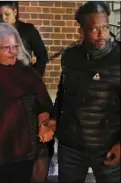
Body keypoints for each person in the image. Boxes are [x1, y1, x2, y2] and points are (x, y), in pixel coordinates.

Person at [0, 23, 54, 182]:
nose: (13, 52)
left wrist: (44, 123)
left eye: (15, 47)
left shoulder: (26, 71)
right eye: (6, 48)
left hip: (24, 148)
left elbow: (43, 103)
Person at [50, 2, 120, 182]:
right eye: (94, 29)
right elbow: (63, 92)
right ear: (81, 32)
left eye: (105, 27)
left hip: (109, 147)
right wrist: (53, 118)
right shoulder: (70, 56)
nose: (101, 34)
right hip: (71, 147)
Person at [0, 1, 49, 77]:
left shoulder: (27, 30)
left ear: (15, 12)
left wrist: (35, 76)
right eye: (0, 15)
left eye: (7, 14)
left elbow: (42, 55)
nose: (3, 18)